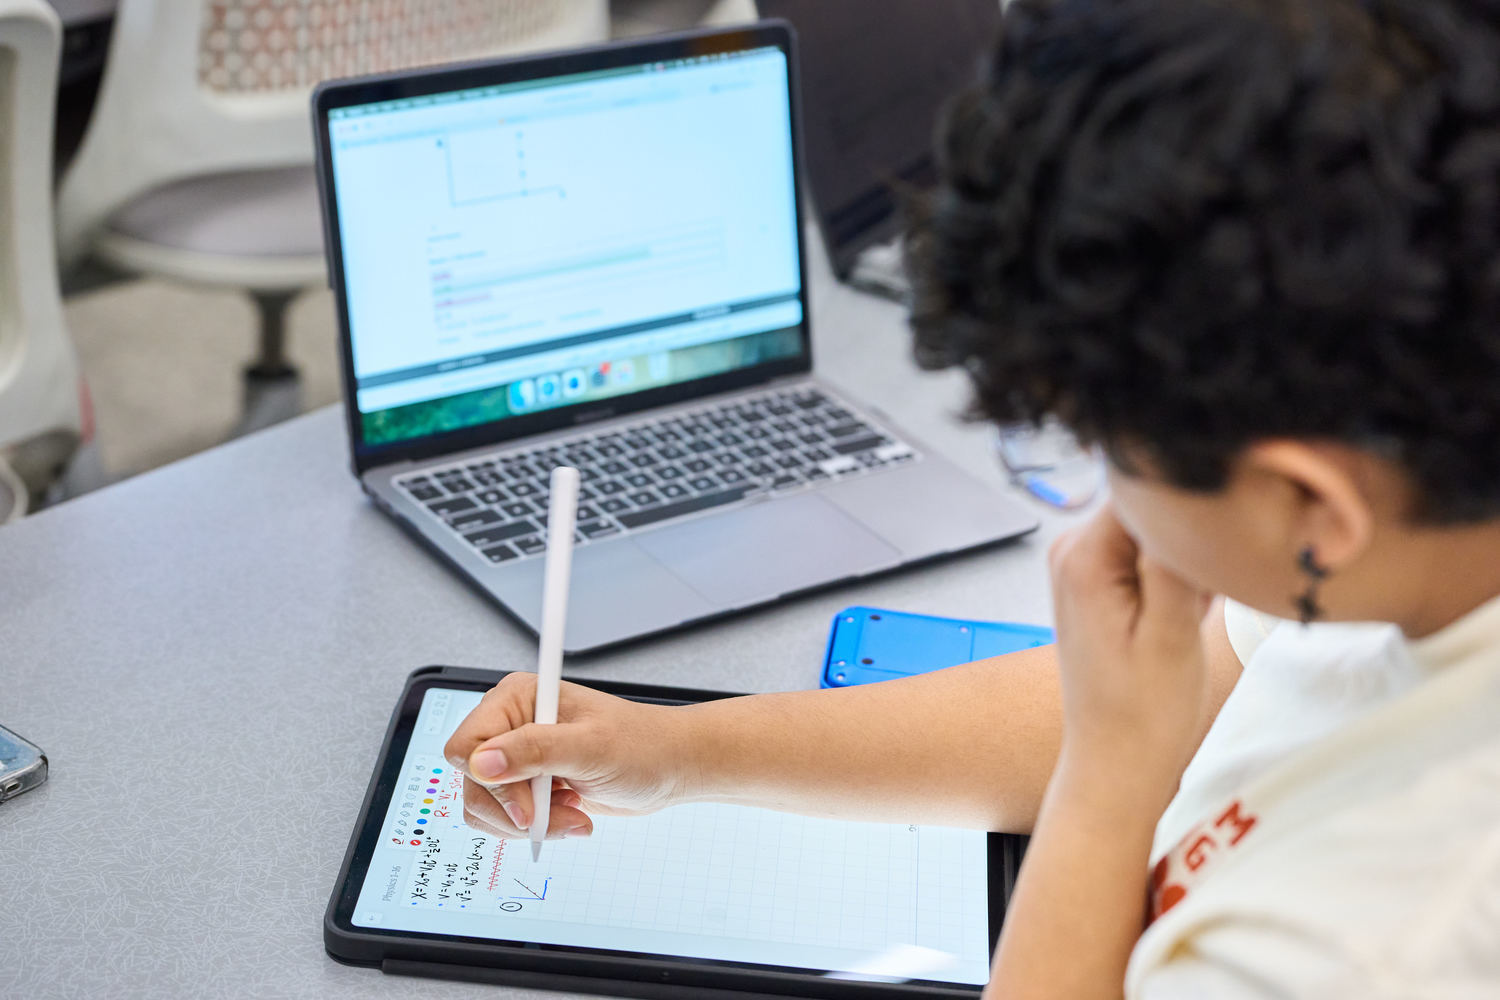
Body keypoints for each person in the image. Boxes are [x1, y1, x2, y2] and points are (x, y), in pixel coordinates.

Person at [443, 0, 1500, 995]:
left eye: (1101, 450)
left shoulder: (1379, 935)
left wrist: (1108, 782)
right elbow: (1211, 681)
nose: (1099, 510)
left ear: (1311, 507)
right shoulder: (1410, 523)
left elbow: (1145, 727)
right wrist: (676, 752)